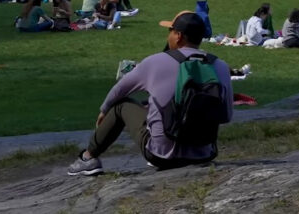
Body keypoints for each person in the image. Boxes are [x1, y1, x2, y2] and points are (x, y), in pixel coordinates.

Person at [67, 11, 234, 176]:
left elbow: (119, 90)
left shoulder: (155, 61)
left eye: (170, 31)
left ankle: (88, 158)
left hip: (161, 154)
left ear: (178, 36)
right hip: (204, 153)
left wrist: (104, 110)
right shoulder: (220, 66)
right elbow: (226, 115)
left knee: (121, 105)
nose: (168, 35)